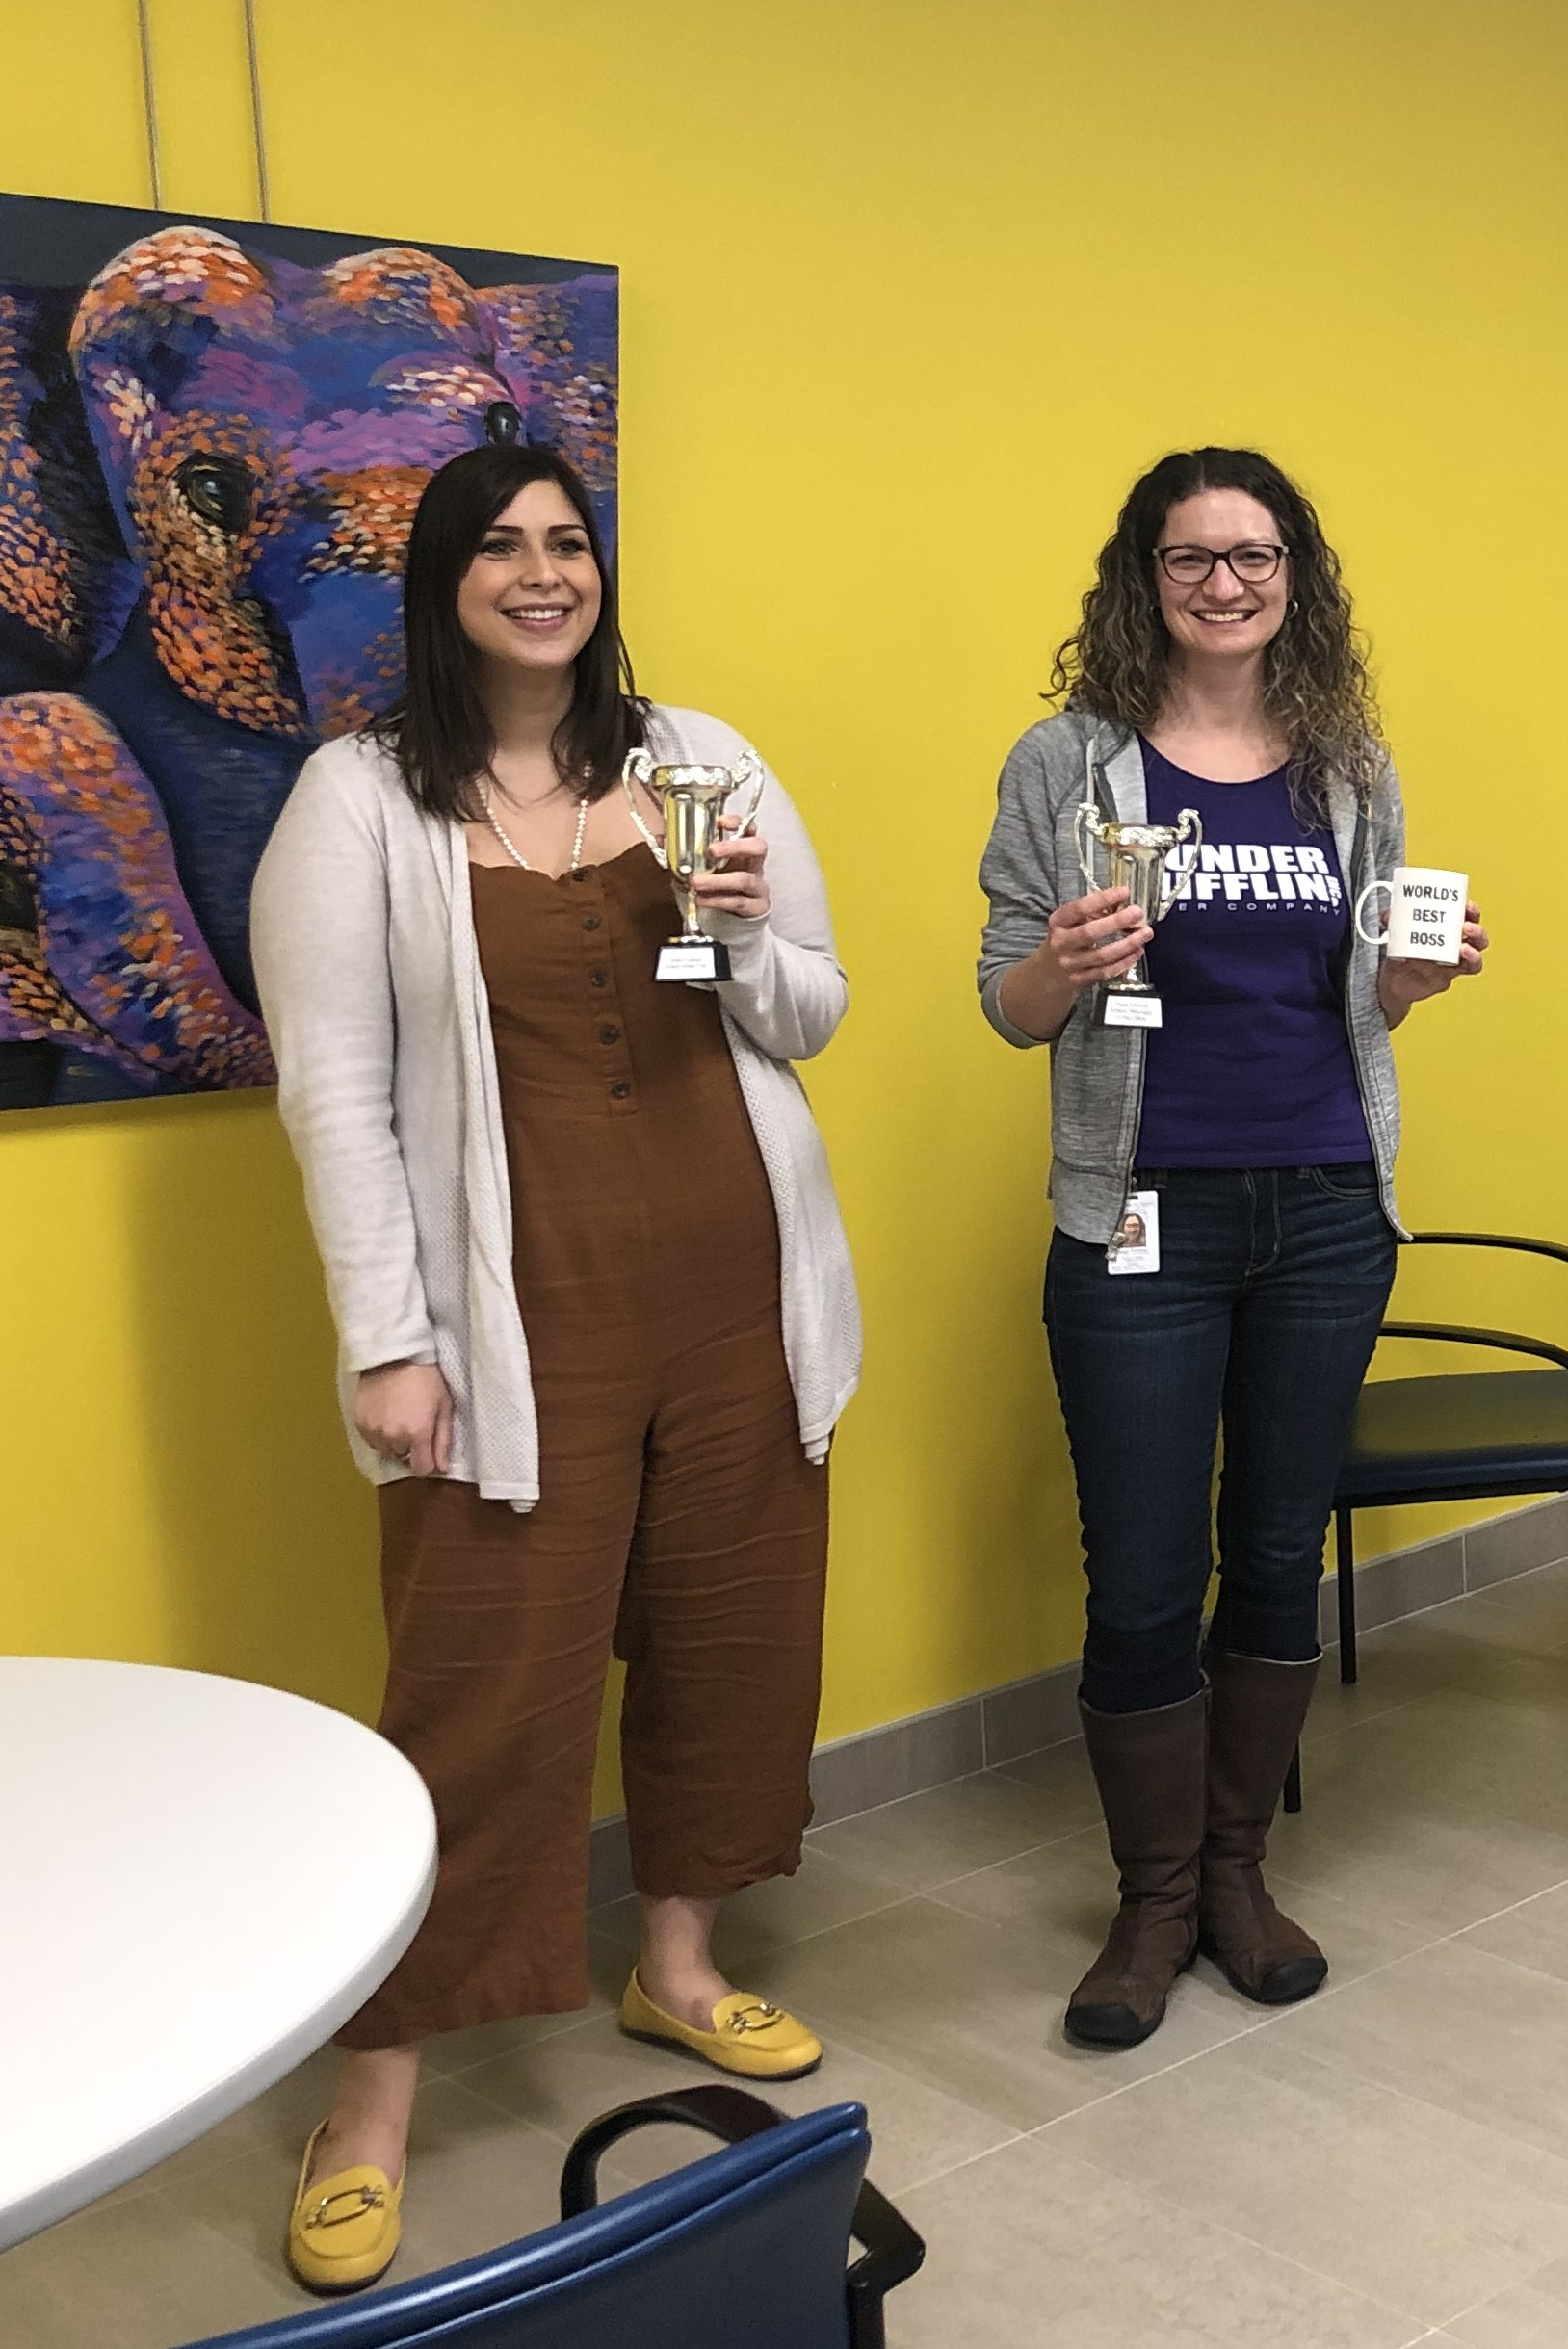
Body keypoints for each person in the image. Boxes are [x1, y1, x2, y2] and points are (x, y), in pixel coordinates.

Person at [251, 441, 859, 2292]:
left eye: (568, 543)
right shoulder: (358, 800)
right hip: (519, 1323)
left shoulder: (700, 757)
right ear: (442, 583)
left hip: (737, 1289)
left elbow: (812, 1012)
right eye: (500, 548)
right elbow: (336, 1098)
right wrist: (388, 1343)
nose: (541, 573)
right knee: (479, 1697)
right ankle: (373, 2092)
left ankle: (673, 1966)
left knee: (729, 1629)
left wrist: (741, 926)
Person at [977, 447, 1486, 2051]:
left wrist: (1416, 981)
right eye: (1191, 559)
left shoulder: (1348, 763)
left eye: (1254, 558)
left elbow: (1361, 995)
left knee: (1276, 1555)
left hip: (1331, 1203)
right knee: (1141, 1574)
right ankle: (1153, 1898)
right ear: (1143, 580)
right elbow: (1006, 1002)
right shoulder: (1067, 762)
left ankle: (1241, 1877)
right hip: (1142, 1211)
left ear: (1295, 579)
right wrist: (1060, 961)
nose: (1224, 585)